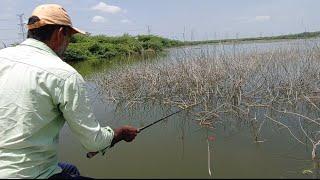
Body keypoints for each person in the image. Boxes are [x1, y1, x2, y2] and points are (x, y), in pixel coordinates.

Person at [0, 4, 138, 179]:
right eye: (69, 37)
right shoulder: (65, 75)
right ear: (59, 34)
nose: (69, 43)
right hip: (31, 174)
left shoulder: (3, 56)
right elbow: (93, 143)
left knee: (70, 170)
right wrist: (119, 134)